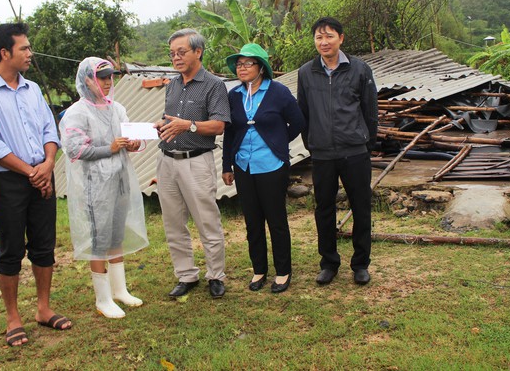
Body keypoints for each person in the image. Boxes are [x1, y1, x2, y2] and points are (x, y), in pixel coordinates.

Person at [0, 23, 71, 348]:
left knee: (44, 244)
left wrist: (48, 165)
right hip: (9, 181)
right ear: (5, 53)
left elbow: (49, 130)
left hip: (42, 172)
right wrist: (32, 172)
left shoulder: (33, 89)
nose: (30, 53)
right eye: (24, 48)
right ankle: (13, 318)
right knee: (11, 248)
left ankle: (43, 308)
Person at [59, 57, 149, 319]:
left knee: (116, 235)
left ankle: (119, 289)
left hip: (120, 179)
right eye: (102, 78)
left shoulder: (117, 108)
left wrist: (133, 144)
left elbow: (131, 136)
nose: (108, 82)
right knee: (99, 238)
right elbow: (74, 148)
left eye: (111, 77)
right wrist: (108, 148)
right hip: (94, 184)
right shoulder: (78, 112)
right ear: (87, 79)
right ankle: (103, 297)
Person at [296, 17, 378, 286]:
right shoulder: (306, 72)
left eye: (329, 36)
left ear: (341, 38)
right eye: (319, 37)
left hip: (354, 152)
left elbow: (370, 111)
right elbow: (303, 112)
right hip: (322, 154)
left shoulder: (359, 69)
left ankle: (360, 264)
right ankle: (329, 263)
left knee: (361, 207)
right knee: (324, 209)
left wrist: (364, 143)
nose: (324, 42)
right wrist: (312, 143)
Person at [221, 43, 305, 294]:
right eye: (239, 64)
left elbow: (298, 121)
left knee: (276, 219)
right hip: (243, 165)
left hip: (272, 165)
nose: (242, 68)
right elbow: (230, 132)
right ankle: (259, 269)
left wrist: (277, 143)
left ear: (261, 67)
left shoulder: (278, 92)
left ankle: (282, 271)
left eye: (248, 63)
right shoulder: (234, 95)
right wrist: (227, 165)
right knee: (252, 220)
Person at [155, 28, 231, 299]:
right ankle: (186, 275)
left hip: (196, 162)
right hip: (166, 161)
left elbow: (219, 125)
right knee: (173, 222)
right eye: (172, 53)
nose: (176, 58)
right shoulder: (173, 85)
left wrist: (188, 126)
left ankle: (216, 275)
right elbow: (171, 121)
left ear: (198, 52)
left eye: (181, 52)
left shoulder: (214, 85)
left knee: (207, 221)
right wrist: (162, 126)